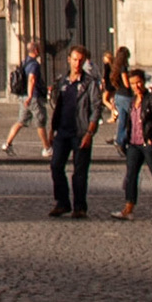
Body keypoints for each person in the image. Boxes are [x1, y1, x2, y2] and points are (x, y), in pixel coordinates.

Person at [112, 66, 152, 220]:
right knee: (131, 176)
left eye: (138, 83)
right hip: (134, 143)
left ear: (143, 82)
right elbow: (130, 122)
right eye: (132, 84)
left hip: (149, 144)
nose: (136, 86)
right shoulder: (132, 101)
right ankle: (129, 207)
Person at [47, 46, 99, 218]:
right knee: (55, 166)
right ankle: (62, 202)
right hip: (62, 131)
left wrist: (90, 133)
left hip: (81, 132)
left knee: (80, 172)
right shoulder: (63, 82)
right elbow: (59, 107)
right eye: (75, 59)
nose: (77, 63)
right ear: (69, 59)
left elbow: (96, 109)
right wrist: (52, 129)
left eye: (81, 60)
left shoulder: (89, 82)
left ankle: (80, 207)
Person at [2, 45, 48, 157]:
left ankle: (7, 143)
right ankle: (47, 148)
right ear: (36, 50)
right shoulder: (34, 64)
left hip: (22, 96)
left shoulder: (24, 62)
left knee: (21, 121)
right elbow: (31, 79)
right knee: (40, 122)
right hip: (33, 97)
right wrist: (30, 95)